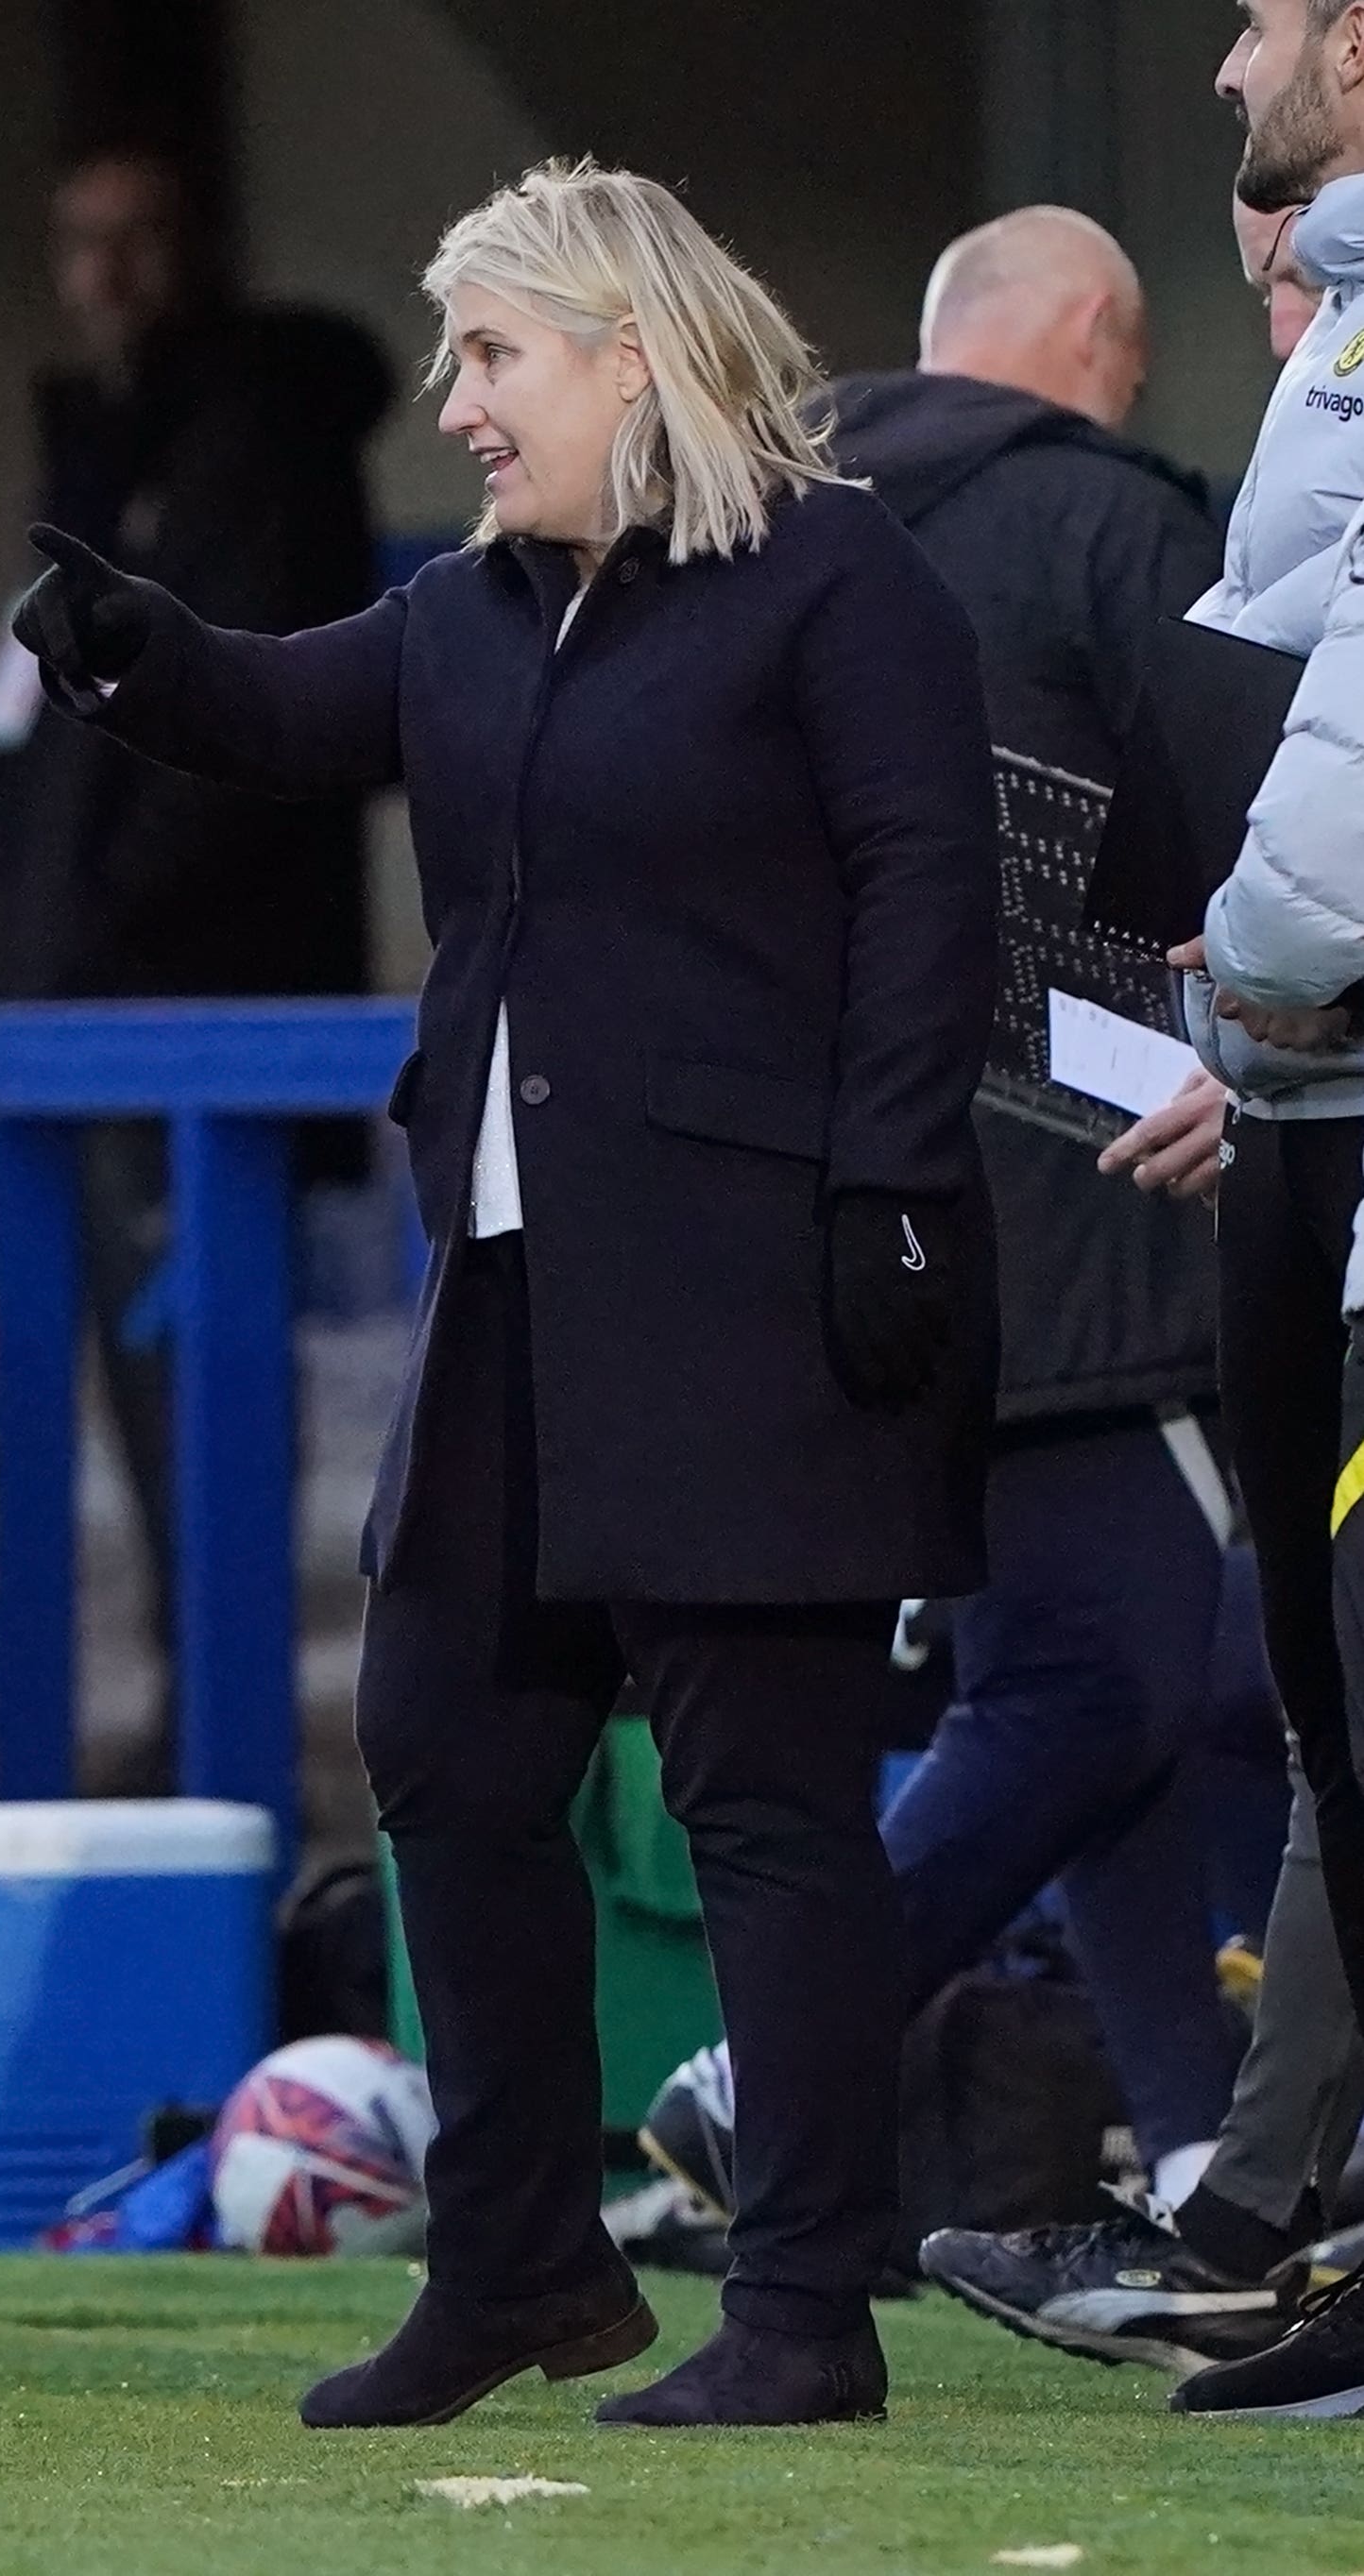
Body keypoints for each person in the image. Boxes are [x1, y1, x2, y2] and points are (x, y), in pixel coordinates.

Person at [17, 159, 996, 2430]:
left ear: (625, 353)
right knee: (447, 1749)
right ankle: (520, 2267)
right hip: (517, 1292)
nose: (454, 403)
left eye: (490, 356)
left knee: (765, 1801)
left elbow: (924, 892)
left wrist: (888, 1196)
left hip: (763, 1290)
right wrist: (133, 652)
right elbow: (278, 708)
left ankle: (803, 2309)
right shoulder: (467, 611)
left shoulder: (829, 581)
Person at [639, 206, 1253, 2267]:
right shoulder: (1106, 519)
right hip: (1110, 1201)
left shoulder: (753, 534)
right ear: (1095, 342)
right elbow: (1260, 831)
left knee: (1082, 1678)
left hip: (842, 1212)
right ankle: (776, 2062)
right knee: (1124, 1678)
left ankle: (1200, 2159)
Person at [929, 4, 1364, 2409]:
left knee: (1212, 1682)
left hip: (1240, 1131)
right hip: (1248, 1134)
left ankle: (1244, 2195)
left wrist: (1268, 984)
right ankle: (1244, 2196)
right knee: (1255, 1688)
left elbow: (1308, 774)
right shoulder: (1232, 467)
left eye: (1269, 20)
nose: (1214, 57)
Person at [0, 146, 388, 1762]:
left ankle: (228, 1721)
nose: (110, 275)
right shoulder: (94, 443)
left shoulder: (255, 439)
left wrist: (101, 920)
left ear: (197, 248)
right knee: (133, 1378)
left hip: (193, 993)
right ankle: (193, 1693)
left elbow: (246, 731)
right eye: (83, 243)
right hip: (89, 999)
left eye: (141, 239)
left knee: (201, 1368)